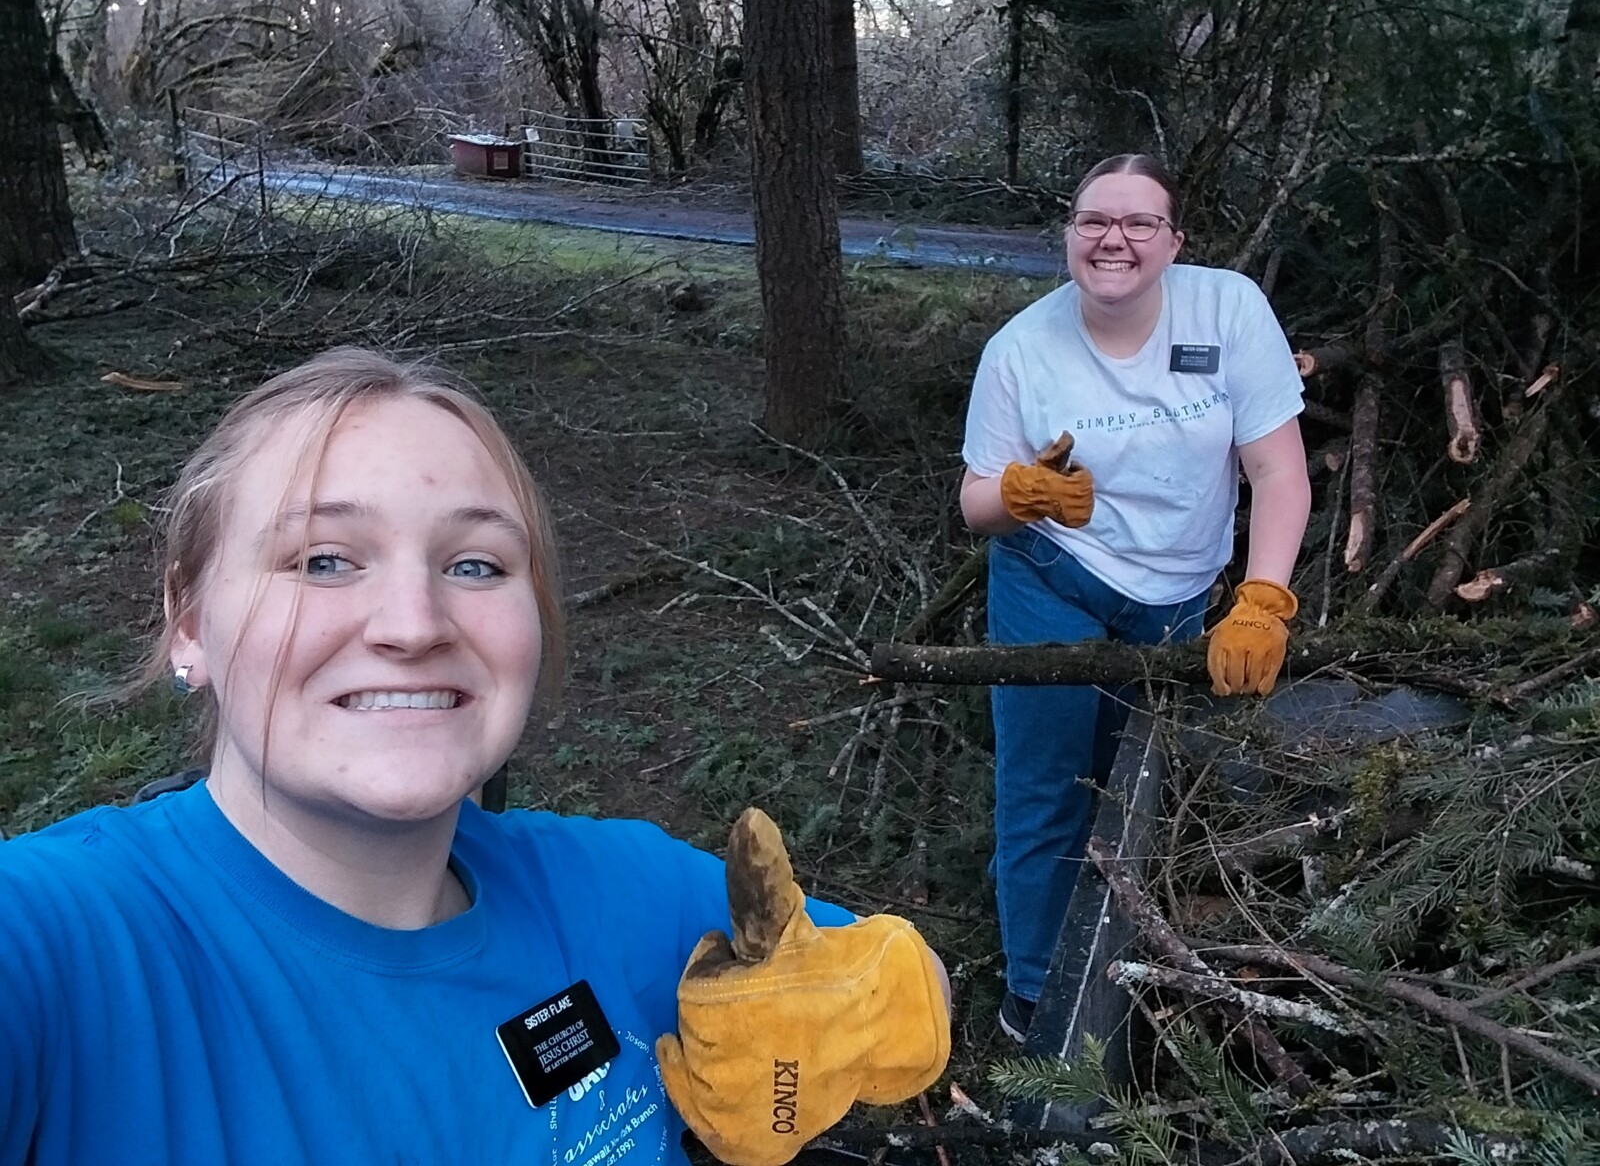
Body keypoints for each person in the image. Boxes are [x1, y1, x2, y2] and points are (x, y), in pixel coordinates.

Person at [0, 348, 949, 1165]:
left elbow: (901, 975)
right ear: (188, 620)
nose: (414, 625)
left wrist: (840, 1019)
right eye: (324, 559)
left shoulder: (612, 889)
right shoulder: (59, 945)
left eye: (475, 565)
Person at [959, 154, 1312, 1042]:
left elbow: (1277, 472)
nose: (1113, 239)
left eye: (1139, 222)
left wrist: (1262, 599)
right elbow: (973, 503)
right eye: (1093, 221)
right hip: (1053, 579)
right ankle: (1035, 1004)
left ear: (1173, 241)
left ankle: (1117, 965)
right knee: (1046, 787)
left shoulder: (1228, 311)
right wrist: (1023, 492)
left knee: (1132, 786)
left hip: (1179, 597)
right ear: (1069, 233)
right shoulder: (1021, 350)